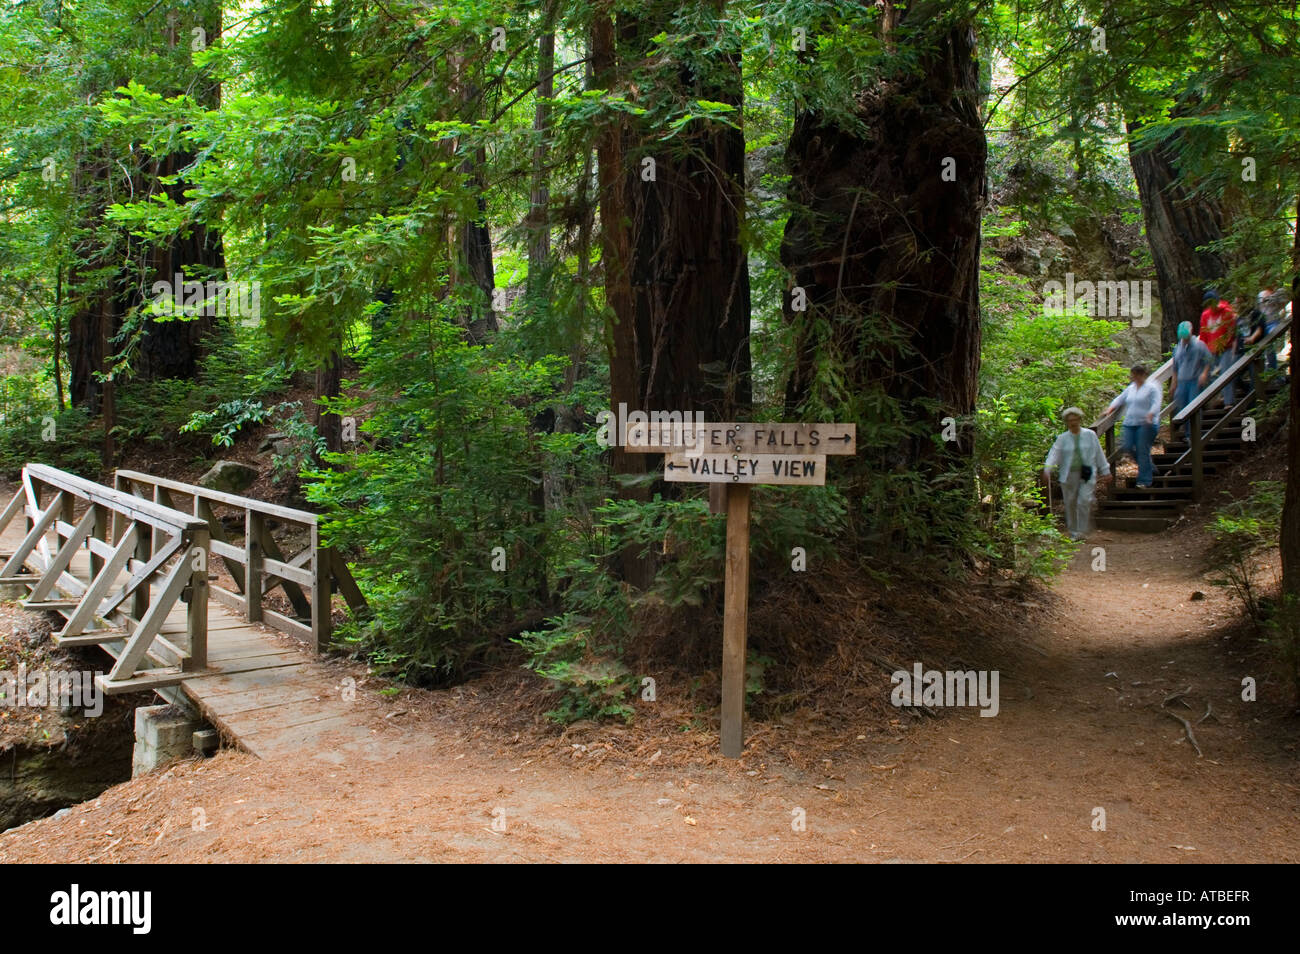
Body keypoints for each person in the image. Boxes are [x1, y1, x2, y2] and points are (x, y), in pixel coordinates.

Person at [1044, 407, 1111, 541]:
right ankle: (1074, 532)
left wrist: (1105, 470)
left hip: (1086, 472)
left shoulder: (1090, 435)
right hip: (1069, 474)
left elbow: (1098, 453)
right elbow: (1054, 453)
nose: (1073, 423)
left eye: (1075, 420)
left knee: (1084, 500)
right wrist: (1048, 469)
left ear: (1080, 420)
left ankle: (1082, 531)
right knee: (1070, 503)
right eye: (1070, 421)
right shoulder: (1062, 439)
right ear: (1066, 422)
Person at [1105, 364, 1160, 488]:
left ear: (1143, 375)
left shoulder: (1152, 387)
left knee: (1142, 450)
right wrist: (1111, 408)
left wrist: (1151, 414)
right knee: (1128, 446)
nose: (1134, 377)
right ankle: (1150, 468)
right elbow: (1120, 399)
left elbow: (1156, 403)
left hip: (1146, 424)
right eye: (1133, 375)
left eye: (1137, 374)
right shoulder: (1131, 388)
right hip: (1130, 423)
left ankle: (1144, 481)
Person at [1169, 320, 1212, 440]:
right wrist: (1174, 383)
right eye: (1183, 338)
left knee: (1193, 407)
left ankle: (1194, 435)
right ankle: (1188, 433)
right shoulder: (1178, 348)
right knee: (1181, 406)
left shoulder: (1199, 345)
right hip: (1182, 382)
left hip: (1194, 380)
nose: (1185, 340)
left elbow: (1208, 360)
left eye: (1186, 337)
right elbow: (1175, 367)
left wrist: (1204, 374)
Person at [1199, 290, 1238, 406]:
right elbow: (1203, 334)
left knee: (1226, 373)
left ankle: (1228, 402)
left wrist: (1223, 344)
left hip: (1226, 348)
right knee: (1211, 375)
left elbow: (1231, 331)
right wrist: (1204, 349)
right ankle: (1215, 400)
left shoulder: (1227, 312)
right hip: (1211, 350)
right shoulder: (1205, 315)